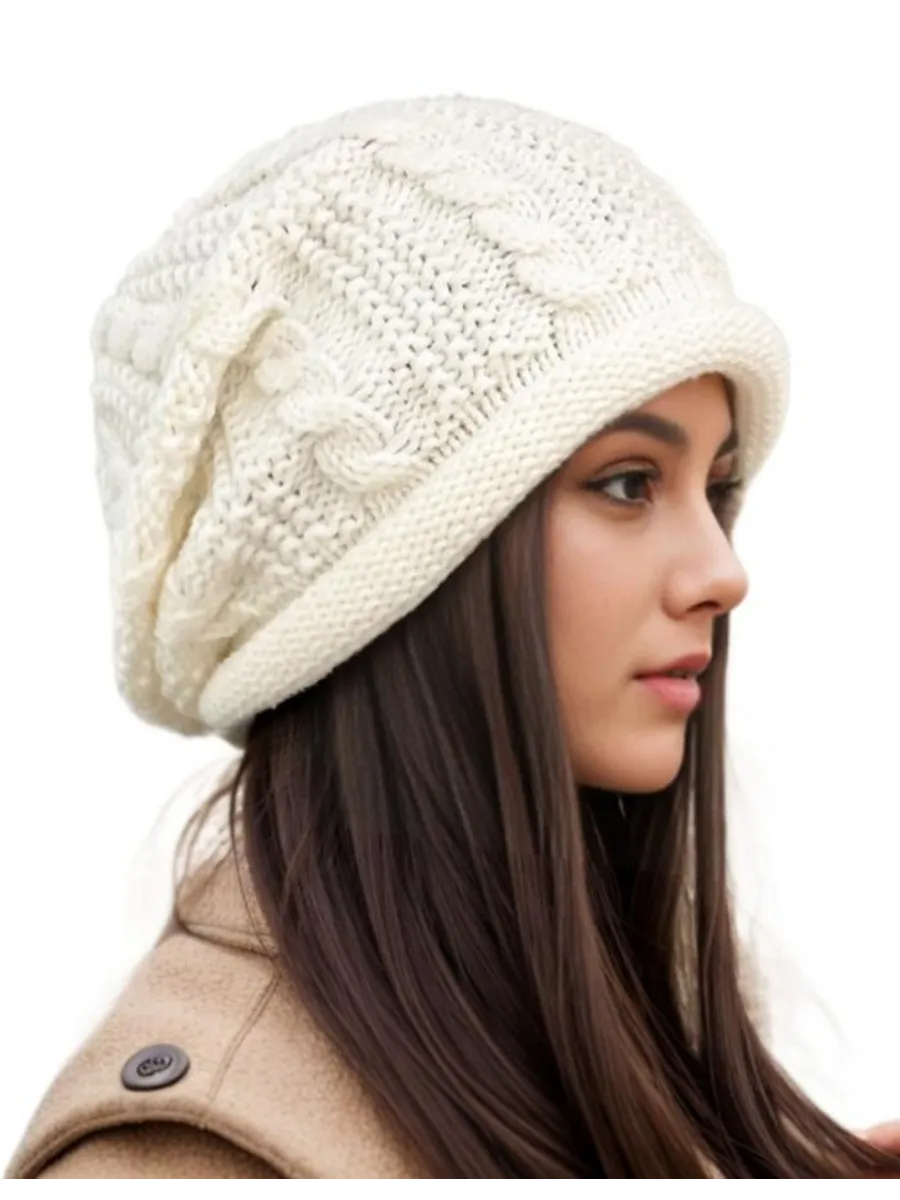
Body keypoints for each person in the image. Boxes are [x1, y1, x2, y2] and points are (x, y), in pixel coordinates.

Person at [6, 92, 900, 1183]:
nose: (723, 572)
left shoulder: (619, 1036)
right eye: (629, 482)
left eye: (715, 489)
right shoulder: (194, 1163)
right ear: (397, 575)